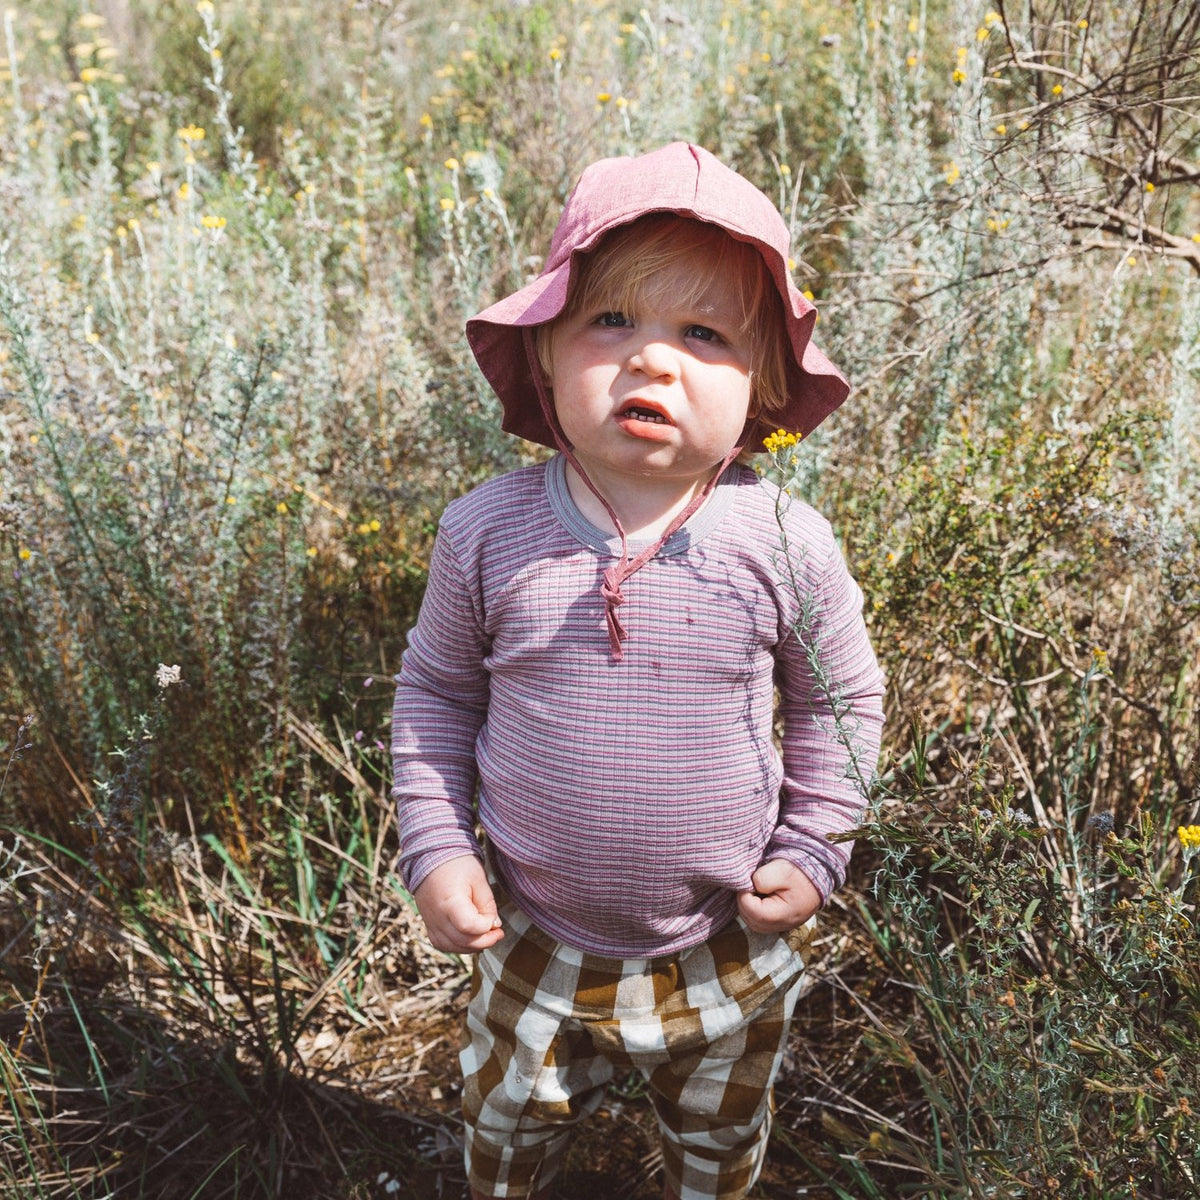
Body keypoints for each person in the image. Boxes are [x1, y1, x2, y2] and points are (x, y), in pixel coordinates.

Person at [391, 141, 885, 1200]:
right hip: (530, 935)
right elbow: (434, 693)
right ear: (541, 358)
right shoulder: (487, 533)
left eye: (702, 335)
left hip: (726, 945)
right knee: (507, 1138)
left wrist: (815, 844)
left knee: (719, 1145)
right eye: (611, 322)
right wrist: (435, 848)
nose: (652, 361)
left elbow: (838, 704)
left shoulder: (785, 542)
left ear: (760, 392)